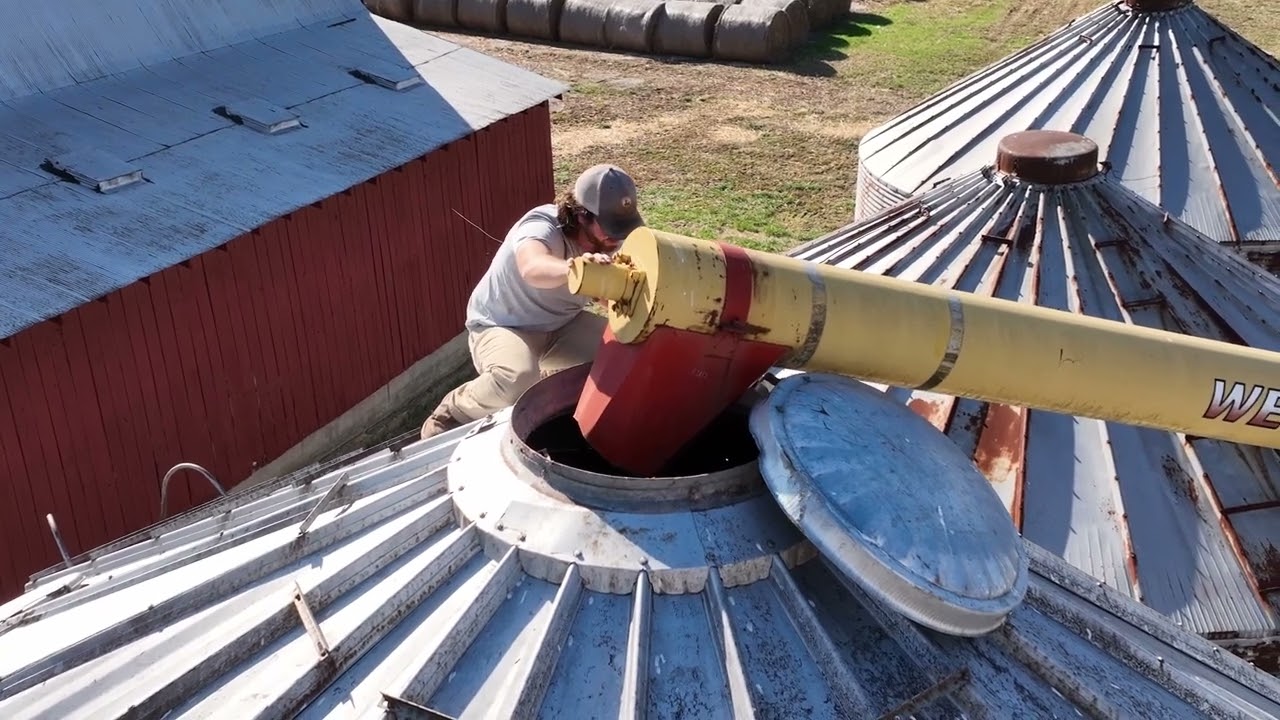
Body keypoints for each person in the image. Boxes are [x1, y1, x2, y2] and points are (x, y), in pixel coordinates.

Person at [420, 164, 646, 439]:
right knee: (516, 379)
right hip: (502, 324)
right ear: (582, 215)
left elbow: (605, 297)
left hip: (563, 324)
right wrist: (576, 268)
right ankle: (451, 413)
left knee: (626, 353)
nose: (617, 237)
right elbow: (532, 267)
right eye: (610, 227)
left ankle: (577, 420)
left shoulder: (607, 242)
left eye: (621, 227)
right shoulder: (542, 224)